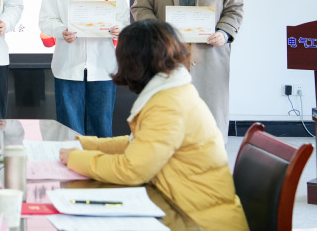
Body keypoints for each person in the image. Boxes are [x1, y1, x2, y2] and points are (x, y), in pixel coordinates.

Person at [59, 20, 249, 230]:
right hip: (185, 208)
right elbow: (138, 144)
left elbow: (131, 170)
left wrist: (76, 158)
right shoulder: (171, 92)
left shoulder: (168, 105)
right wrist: (85, 145)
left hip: (199, 222)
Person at [131, 0, 243, 139]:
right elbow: (140, 7)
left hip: (209, 57)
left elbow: (235, 8)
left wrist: (224, 32)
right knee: (167, 123)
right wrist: (159, 32)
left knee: (208, 124)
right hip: (167, 55)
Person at [39, 0, 129, 137]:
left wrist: (119, 28)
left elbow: (124, 18)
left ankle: (99, 161)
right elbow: (45, 21)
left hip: (103, 67)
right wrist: (62, 31)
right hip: (68, 66)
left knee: (102, 131)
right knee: (70, 132)